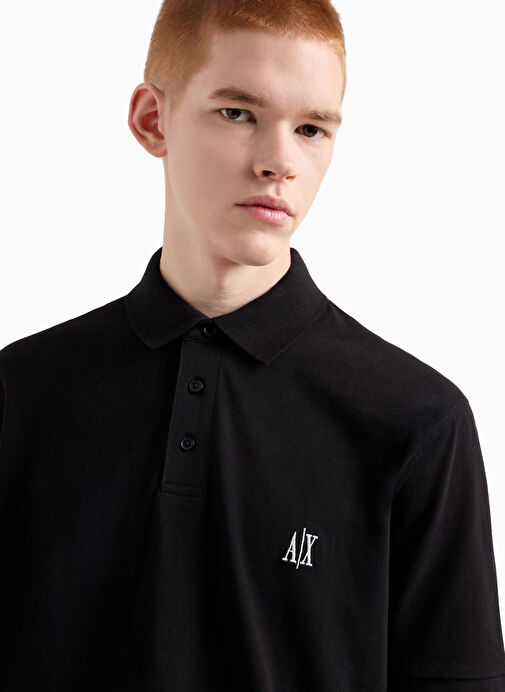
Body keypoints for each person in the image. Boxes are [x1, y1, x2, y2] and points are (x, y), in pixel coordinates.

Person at [0, 1, 504, 690]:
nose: (279, 163)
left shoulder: (417, 421)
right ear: (152, 120)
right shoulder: (22, 393)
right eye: (238, 113)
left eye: (311, 129)